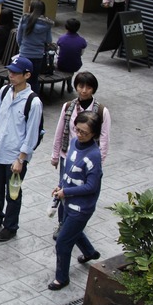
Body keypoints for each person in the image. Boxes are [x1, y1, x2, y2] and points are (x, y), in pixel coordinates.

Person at [0, 57, 43, 243]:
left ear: (27, 75)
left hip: (15, 157)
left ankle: (10, 226)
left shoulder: (33, 102)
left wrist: (21, 159)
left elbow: (32, 134)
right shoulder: (4, 91)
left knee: (13, 193)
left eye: (16, 72)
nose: (11, 75)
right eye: (10, 71)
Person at [49, 112, 104, 291]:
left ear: (94, 134)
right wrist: (60, 187)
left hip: (81, 207)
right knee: (72, 229)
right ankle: (89, 252)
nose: (79, 135)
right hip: (68, 201)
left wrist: (66, 191)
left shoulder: (94, 155)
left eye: (84, 133)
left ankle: (62, 278)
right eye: (77, 130)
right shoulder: (73, 143)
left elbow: (91, 186)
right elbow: (68, 171)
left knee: (63, 242)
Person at [51, 71, 112, 170]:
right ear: (76, 87)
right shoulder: (68, 107)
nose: (84, 91)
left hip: (89, 160)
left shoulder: (102, 111)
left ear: (93, 89)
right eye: (81, 86)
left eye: (88, 87)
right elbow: (59, 132)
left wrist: (99, 162)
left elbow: (104, 139)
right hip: (68, 156)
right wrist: (55, 155)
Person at [17, 0, 55, 70]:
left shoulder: (24, 19)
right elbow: (48, 40)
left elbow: (18, 38)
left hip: (24, 53)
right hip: (38, 55)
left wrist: (22, 47)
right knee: (34, 77)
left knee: (23, 77)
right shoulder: (47, 23)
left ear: (31, 8)